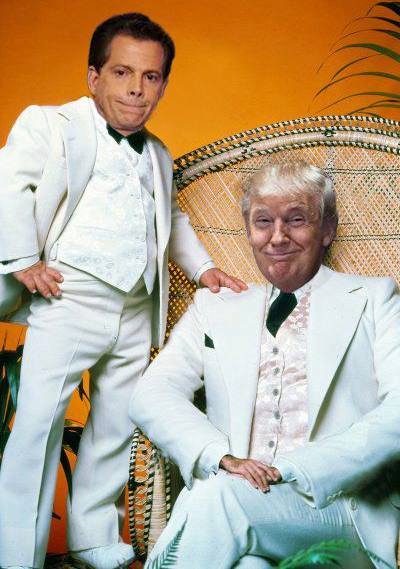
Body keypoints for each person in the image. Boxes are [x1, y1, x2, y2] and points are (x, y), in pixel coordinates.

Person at [0, 12, 247, 569]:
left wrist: (204, 270)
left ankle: (91, 535)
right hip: (69, 296)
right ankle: (15, 554)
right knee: (38, 426)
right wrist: (21, 260)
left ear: (163, 84)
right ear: (94, 77)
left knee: (116, 422)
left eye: (151, 76)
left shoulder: (158, 153)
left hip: (136, 304)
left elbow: (171, 220)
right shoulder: (51, 125)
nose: (137, 88)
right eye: (121, 72)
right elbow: (9, 182)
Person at [130, 160, 400, 569]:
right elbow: (151, 394)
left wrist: (297, 468)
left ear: (327, 229)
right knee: (246, 562)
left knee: (221, 497)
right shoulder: (215, 307)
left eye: (296, 220)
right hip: (238, 512)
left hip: (339, 510)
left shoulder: (375, 298)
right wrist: (219, 457)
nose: (277, 237)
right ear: (249, 231)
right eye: (263, 222)